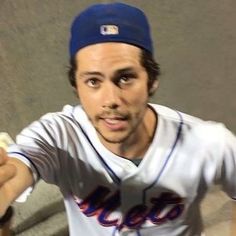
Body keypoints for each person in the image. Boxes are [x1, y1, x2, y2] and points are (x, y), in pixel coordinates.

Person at [0, 2, 235, 236]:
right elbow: (19, 167)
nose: (111, 99)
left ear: (151, 81)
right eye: (93, 81)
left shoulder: (208, 141)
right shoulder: (58, 135)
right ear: (76, 87)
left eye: (125, 78)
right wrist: (5, 189)